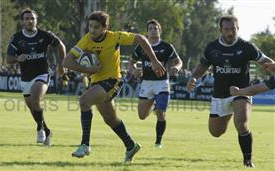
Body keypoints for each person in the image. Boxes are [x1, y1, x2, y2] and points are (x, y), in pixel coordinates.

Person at [62, 11, 165, 163]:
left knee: (84, 101)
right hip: (96, 82)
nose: (92, 30)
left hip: (112, 80)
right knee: (110, 119)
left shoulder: (115, 37)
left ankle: (85, 145)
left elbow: (141, 38)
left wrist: (154, 61)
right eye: (90, 26)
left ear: (105, 27)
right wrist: (89, 70)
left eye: (96, 27)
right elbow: (66, 62)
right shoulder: (86, 40)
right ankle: (131, 146)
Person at [186, 15, 275, 167]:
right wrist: (193, 78)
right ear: (220, 30)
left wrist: (272, 65)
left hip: (242, 92)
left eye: (233, 29)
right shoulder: (212, 48)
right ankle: (229, 113)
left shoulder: (247, 47)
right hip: (220, 95)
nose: (230, 32)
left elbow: (267, 61)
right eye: (226, 29)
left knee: (241, 123)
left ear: (238, 29)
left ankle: (247, 160)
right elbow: (202, 66)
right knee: (216, 132)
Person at [7, 8, 66, 146]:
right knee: (33, 108)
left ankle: (39, 129)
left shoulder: (45, 35)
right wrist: (17, 58)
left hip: (43, 73)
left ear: (36, 20)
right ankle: (47, 130)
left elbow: (61, 46)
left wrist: (61, 66)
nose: (30, 21)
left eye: (32, 18)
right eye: (27, 19)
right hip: (26, 77)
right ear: (23, 21)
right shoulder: (16, 38)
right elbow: (8, 59)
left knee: (36, 97)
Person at [129, 19, 182, 148]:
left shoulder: (167, 46)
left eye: (155, 28)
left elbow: (178, 61)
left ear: (160, 31)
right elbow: (131, 63)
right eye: (150, 28)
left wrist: (176, 68)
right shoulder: (141, 46)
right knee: (142, 116)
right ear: (146, 32)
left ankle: (158, 142)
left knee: (160, 113)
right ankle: (154, 104)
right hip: (146, 83)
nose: (153, 30)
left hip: (162, 83)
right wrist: (134, 70)